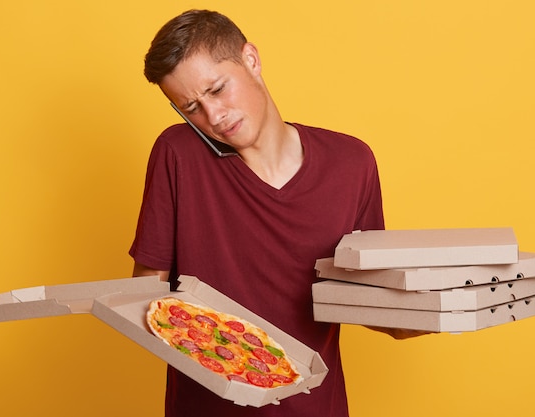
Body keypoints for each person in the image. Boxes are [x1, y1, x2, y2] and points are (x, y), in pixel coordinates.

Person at [130, 9, 404, 417]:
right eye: (191, 108)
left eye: (218, 89)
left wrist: (435, 312)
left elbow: (365, 298)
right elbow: (143, 300)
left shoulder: (352, 162)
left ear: (251, 60)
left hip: (316, 407)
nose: (214, 116)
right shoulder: (178, 153)